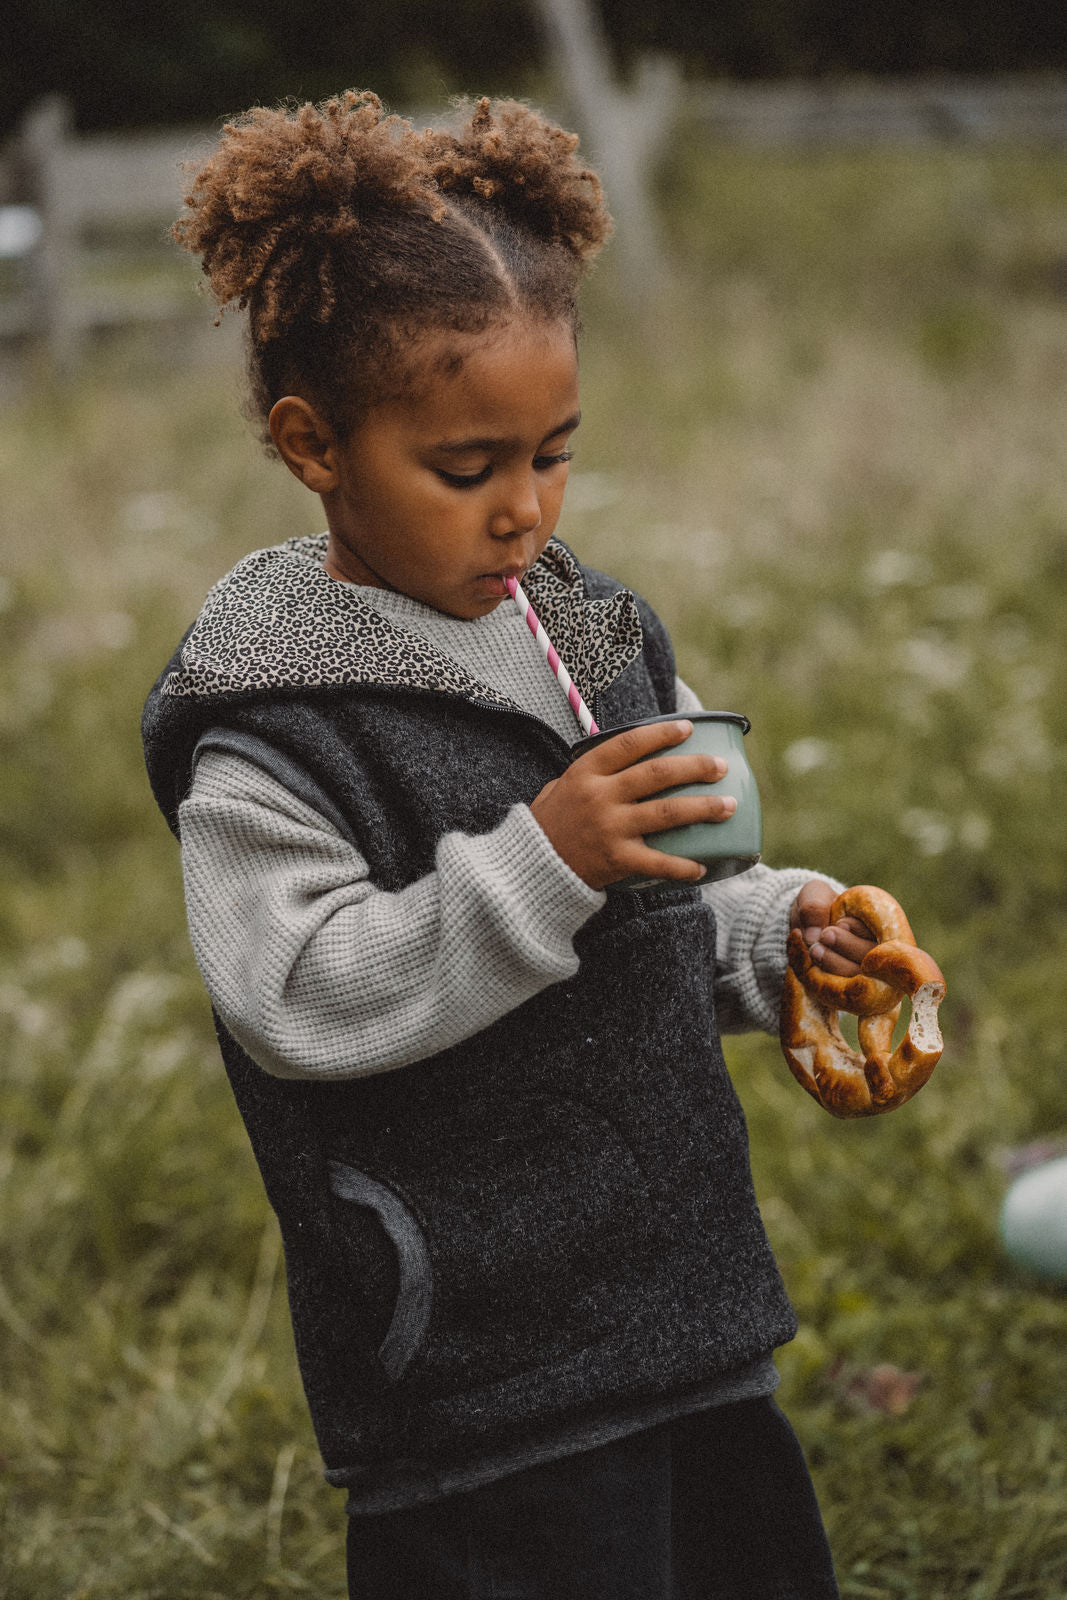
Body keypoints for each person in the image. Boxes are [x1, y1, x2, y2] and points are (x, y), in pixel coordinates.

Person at [142, 91, 880, 1599]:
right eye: (468, 469)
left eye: (555, 454)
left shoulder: (596, 636)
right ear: (315, 446)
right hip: (476, 1372)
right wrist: (546, 856)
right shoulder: (272, 725)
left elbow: (682, 895)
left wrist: (780, 933)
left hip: (681, 1310)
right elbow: (298, 994)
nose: (525, 512)